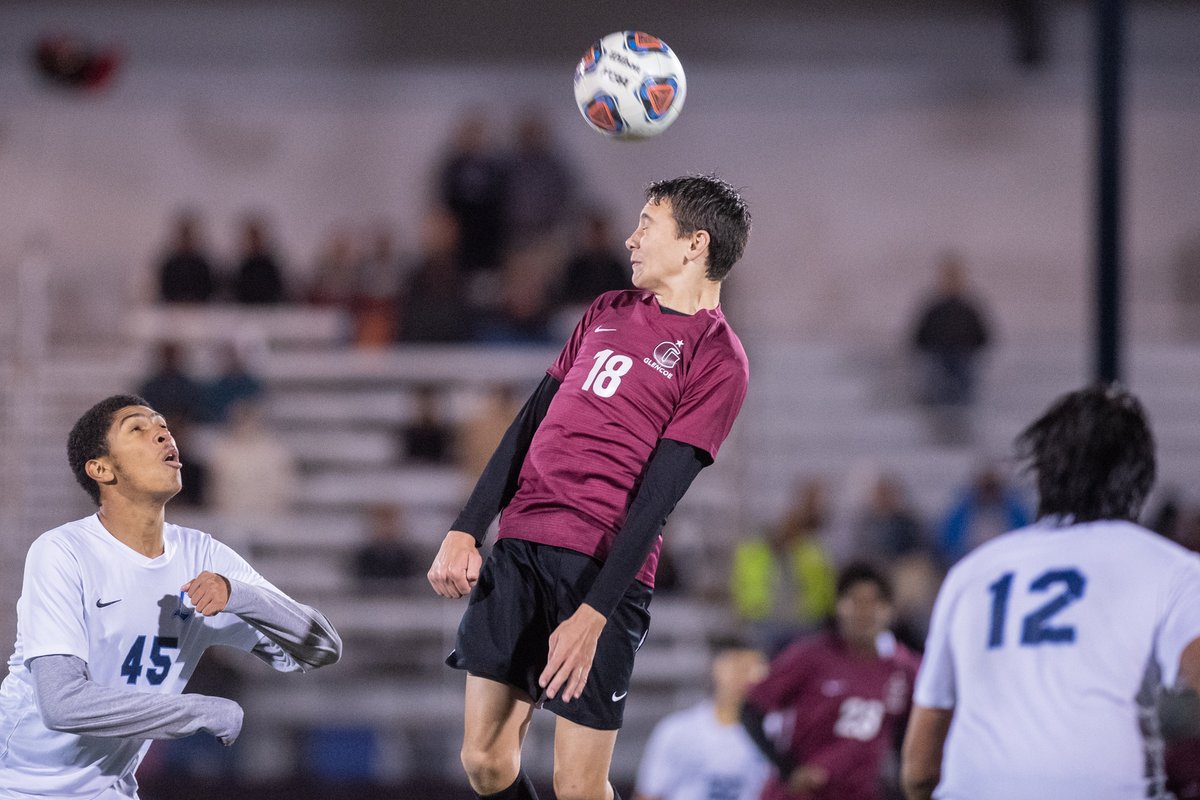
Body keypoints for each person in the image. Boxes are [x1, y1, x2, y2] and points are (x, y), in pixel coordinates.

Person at [427, 174, 752, 800]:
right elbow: (529, 423)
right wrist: (467, 526)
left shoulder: (718, 356)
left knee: (577, 786)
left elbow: (658, 501)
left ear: (695, 244)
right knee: (484, 762)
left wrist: (594, 613)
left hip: (602, 571)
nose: (631, 239)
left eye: (647, 225)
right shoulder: (606, 310)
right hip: (521, 547)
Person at [0, 394, 342, 799]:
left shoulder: (205, 556)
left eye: (162, 425)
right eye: (138, 429)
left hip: (109, 788)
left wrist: (240, 595)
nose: (163, 434)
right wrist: (196, 711)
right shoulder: (64, 550)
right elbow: (62, 704)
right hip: (17, 783)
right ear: (102, 469)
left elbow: (320, 649)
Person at [900, 385, 1200, 800]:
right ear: (1141, 476)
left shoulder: (972, 574)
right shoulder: (1171, 568)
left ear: (1041, 471)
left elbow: (918, 766)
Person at [741, 562, 921, 800]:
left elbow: (908, 735)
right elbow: (750, 708)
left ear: (890, 610)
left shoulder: (904, 669)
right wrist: (788, 770)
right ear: (839, 606)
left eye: (874, 603)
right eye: (855, 602)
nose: (864, 612)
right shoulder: (811, 656)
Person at [633, 638, 770, 800]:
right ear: (716, 669)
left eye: (753, 669)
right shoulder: (678, 730)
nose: (747, 678)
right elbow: (649, 793)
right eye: (739, 668)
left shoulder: (776, 731)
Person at [731, 478, 837, 657]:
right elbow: (740, 584)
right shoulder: (754, 550)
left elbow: (824, 586)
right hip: (764, 621)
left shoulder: (811, 550)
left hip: (803, 623)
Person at [908, 253, 991, 408]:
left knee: (963, 400)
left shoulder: (968, 308)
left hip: (963, 358)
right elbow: (918, 337)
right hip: (940, 359)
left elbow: (983, 336)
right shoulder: (935, 308)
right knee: (939, 398)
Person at [155, 210, 218, 304]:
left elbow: (209, 290)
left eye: (188, 236)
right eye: (183, 236)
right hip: (172, 310)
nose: (186, 240)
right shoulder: (169, 265)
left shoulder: (202, 265)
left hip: (200, 310)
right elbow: (165, 290)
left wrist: (193, 301)